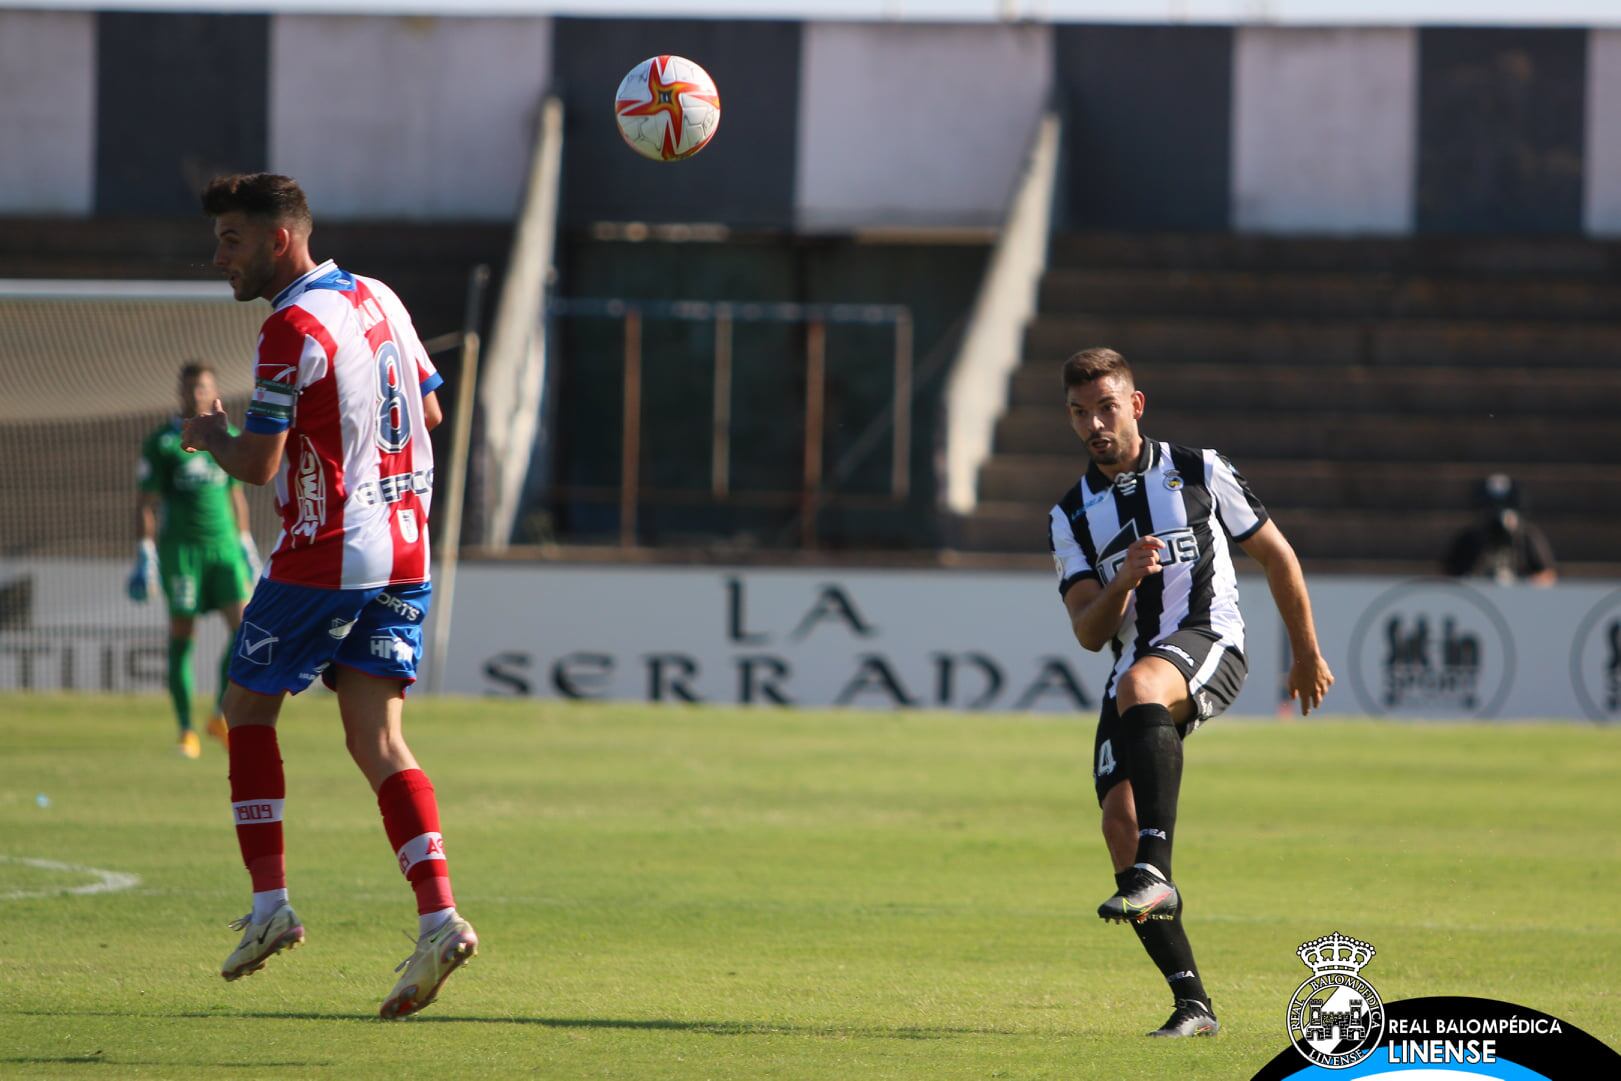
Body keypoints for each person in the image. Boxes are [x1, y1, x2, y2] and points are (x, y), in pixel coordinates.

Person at [181, 172, 475, 1019]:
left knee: (245, 708)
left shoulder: (289, 326)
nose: (219, 257)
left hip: (329, 550)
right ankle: (438, 916)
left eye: (231, 240)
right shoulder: (379, 295)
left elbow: (259, 463)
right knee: (376, 734)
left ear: (280, 240)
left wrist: (210, 437)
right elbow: (430, 408)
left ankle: (270, 905)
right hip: (406, 545)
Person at [1047, 348, 1334, 1038]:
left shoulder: (1199, 468)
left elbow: (1277, 555)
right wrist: (1121, 582)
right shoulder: (1069, 514)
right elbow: (1088, 632)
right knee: (1118, 826)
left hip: (1210, 640)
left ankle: (1158, 867)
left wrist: (1304, 652)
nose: (1094, 423)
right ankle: (1191, 1003)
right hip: (1130, 677)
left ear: (1135, 404)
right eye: (1080, 413)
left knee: (1144, 683)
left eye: (1106, 407)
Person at [130, 361, 260, 758]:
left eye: (202, 388)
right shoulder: (164, 443)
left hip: (224, 549)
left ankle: (219, 715)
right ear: (180, 392)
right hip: (182, 552)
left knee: (244, 631)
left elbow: (235, 494)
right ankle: (186, 728)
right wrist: (145, 552)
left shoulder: (230, 437)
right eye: (189, 389)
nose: (196, 395)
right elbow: (146, 503)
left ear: (214, 391)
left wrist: (245, 541)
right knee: (183, 636)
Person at [1442, 473, 1557, 586]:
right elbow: (1448, 576)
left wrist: (1525, 584)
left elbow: (1547, 575)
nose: (1499, 515)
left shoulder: (1527, 536)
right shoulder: (1468, 538)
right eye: (1491, 508)